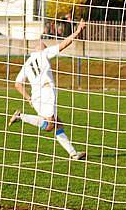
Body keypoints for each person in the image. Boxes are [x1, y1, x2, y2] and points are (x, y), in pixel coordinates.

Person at [9, 19, 87, 160]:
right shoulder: (44, 54)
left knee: (57, 123)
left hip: (35, 96)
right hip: (46, 92)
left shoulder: (27, 64)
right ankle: (21, 117)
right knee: (50, 125)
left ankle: (73, 153)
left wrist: (28, 98)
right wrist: (77, 31)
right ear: (43, 49)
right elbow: (63, 44)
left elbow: (17, 84)